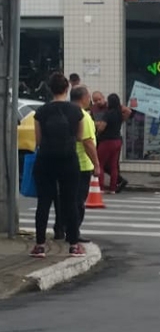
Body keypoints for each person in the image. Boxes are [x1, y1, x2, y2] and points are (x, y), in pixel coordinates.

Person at [30, 73, 87, 258]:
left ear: (49, 89)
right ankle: (73, 245)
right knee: (70, 201)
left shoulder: (41, 112)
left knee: (44, 202)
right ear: (67, 89)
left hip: (45, 159)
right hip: (68, 159)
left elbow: (37, 140)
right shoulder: (76, 111)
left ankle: (39, 245)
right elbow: (79, 137)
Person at [70, 86, 101, 242]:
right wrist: (97, 164)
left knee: (67, 200)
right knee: (78, 202)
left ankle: (63, 229)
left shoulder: (66, 112)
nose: (90, 99)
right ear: (83, 97)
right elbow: (88, 142)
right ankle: (74, 233)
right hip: (82, 165)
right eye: (88, 96)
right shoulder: (84, 116)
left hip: (67, 163)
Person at [96, 93, 124, 193]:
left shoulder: (108, 113)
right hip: (117, 140)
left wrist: (97, 126)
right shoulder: (120, 113)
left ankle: (100, 187)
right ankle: (113, 188)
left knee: (100, 164)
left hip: (107, 141)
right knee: (113, 166)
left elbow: (101, 128)